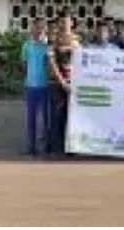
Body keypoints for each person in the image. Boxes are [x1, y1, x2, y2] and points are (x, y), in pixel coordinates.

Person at [47, 23, 78, 158]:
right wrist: (63, 83)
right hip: (57, 85)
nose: (66, 27)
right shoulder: (53, 45)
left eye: (68, 24)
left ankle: (69, 147)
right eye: (63, 24)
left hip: (73, 86)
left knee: (70, 117)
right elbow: (52, 66)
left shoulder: (76, 43)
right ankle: (54, 148)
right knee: (56, 116)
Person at [22, 18, 51, 156]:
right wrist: (28, 79)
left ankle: (47, 145)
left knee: (46, 118)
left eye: (41, 28)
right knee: (31, 118)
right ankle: (31, 146)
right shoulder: (26, 45)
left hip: (46, 86)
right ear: (32, 29)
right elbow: (24, 64)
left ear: (45, 30)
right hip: (31, 86)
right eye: (36, 27)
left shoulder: (49, 46)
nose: (38, 30)